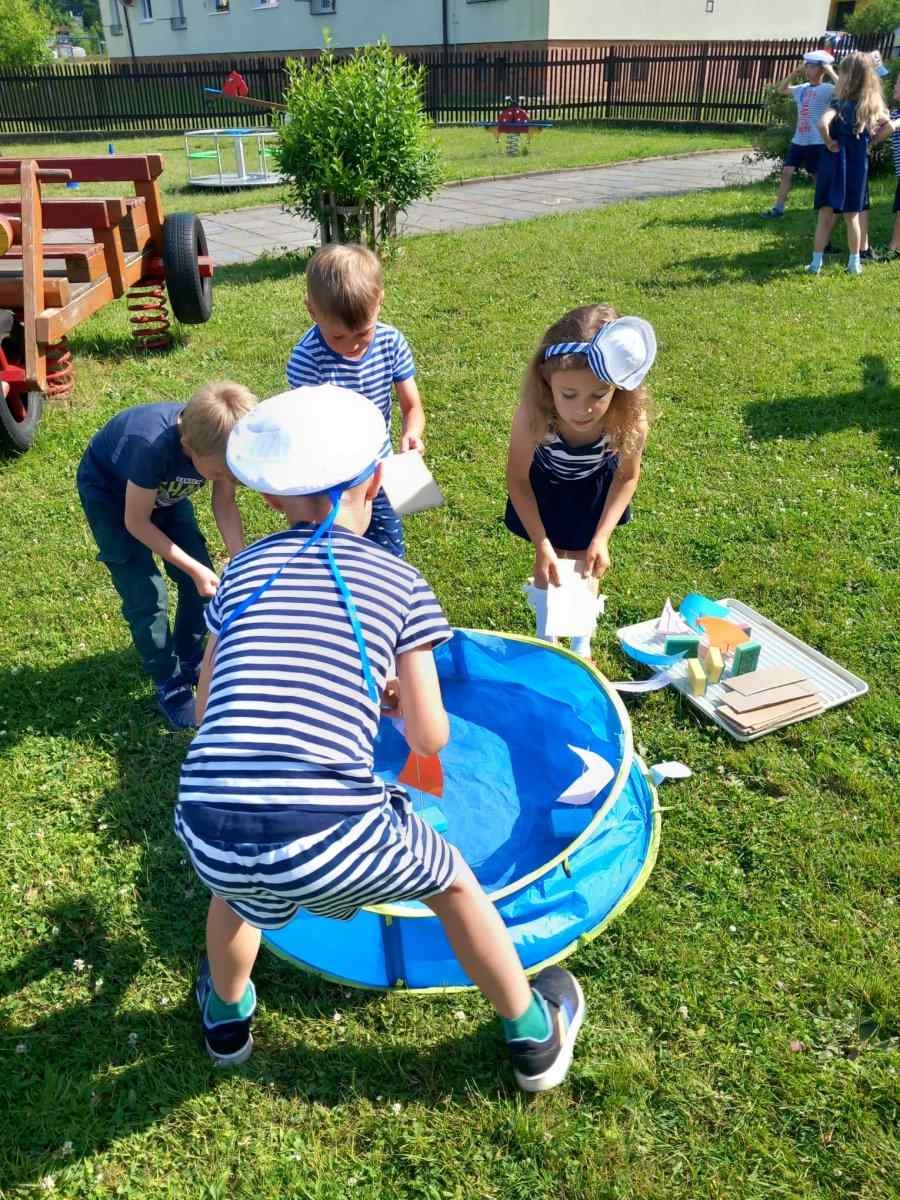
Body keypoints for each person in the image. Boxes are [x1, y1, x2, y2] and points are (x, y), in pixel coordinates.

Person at [175, 385, 585, 1093]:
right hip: (330, 830)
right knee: (453, 884)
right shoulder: (398, 579)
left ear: (269, 498)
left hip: (208, 824)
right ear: (375, 480)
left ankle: (227, 1020)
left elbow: (207, 704)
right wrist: (395, 709)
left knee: (237, 898)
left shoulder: (240, 571)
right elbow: (429, 734)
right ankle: (533, 1035)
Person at [76, 383, 256, 729]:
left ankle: (189, 656)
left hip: (162, 493)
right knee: (147, 596)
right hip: (112, 499)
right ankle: (168, 681)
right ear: (187, 446)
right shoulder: (150, 448)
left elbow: (224, 501)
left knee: (200, 582)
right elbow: (136, 522)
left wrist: (240, 559)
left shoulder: (217, 445)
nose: (225, 478)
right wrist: (195, 569)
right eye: (218, 473)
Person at [505, 305, 655, 660]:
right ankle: (546, 639)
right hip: (545, 489)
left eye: (599, 395)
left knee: (585, 563)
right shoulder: (533, 415)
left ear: (619, 387)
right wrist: (541, 542)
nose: (582, 409)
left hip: (593, 490)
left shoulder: (631, 419)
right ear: (547, 382)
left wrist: (602, 537)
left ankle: (579, 644)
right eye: (569, 395)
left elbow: (627, 476)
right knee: (549, 563)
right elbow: (518, 478)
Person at [285, 243, 425, 559]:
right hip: (332, 477)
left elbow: (412, 406)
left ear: (379, 302)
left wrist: (412, 433)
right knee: (335, 551)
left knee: (388, 550)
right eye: (338, 337)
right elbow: (308, 429)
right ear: (311, 311)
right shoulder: (307, 360)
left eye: (363, 334)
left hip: (379, 469)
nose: (352, 346)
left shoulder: (391, 342)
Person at [807, 52, 892, 275]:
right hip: (856, 166)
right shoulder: (870, 105)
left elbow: (822, 124)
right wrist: (872, 141)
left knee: (825, 215)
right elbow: (890, 126)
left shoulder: (838, 103)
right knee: (852, 215)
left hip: (833, 162)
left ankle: (815, 264)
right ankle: (854, 264)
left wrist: (829, 143)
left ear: (847, 76)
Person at [762, 50, 838, 219]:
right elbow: (781, 89)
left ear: (821, 69)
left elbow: (844, 90)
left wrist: (830, 70)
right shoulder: (801, 88)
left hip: (817, 142)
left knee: (816, 176)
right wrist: (794, 73)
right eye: (807, 66)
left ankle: (826, 208)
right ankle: (778, 209)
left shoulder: (827, 88)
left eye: (812, 67)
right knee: (786, 172)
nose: (807, 70)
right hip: (798, 140)